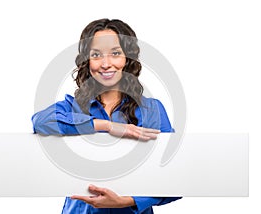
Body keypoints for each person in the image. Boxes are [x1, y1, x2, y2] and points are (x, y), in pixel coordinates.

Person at [32, 18, 181, 214]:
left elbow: (175, 179)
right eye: (96, 55)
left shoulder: (151, 109)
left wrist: (127, 201)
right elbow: (40, 121)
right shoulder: (72, 107)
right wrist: (107, 126)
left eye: (115, 53)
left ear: (127, 59)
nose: (105, 64)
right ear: (87, 61)